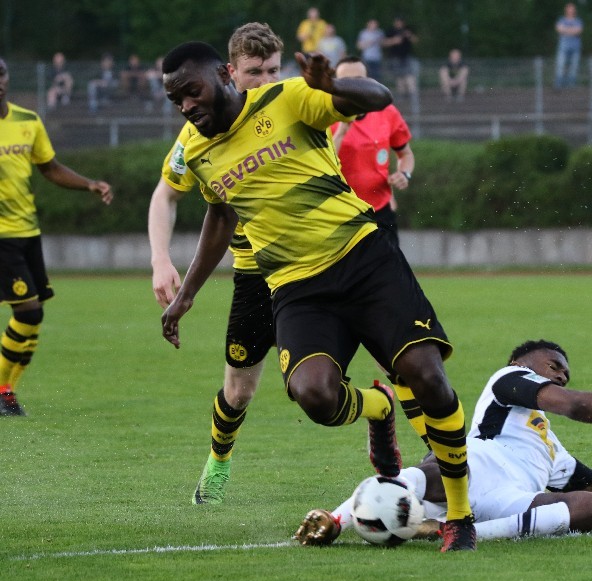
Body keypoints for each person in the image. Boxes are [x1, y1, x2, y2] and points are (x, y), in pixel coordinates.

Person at [158, 41, 476, 551]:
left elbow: (378, 96)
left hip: (363, 259)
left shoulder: (286, 99)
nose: (187, 106)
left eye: (191, 92)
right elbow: (220, 215)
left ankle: (460, 516)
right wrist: (188, 293)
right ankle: (377, 407)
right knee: (314, 395)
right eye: (176, 100)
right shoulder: (195, 149)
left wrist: (333, 86)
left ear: (223, 75)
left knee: (426, 374)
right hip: (296, 288)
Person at [294, 339, 592, 545]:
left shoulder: (554, 451)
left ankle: (459, 531)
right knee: (435, 467)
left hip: (510, 498)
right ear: (522, 363)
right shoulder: (507, 382)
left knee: (590, 507)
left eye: (564, 373)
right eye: (554, 365)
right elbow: (576, 406)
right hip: (477, 465)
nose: (560, 375)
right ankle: (335, 520)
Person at [148, 22, 284, 505]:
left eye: (273, 70)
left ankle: (399, 454)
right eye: (254, 72)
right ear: (230, 73)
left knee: (376, 362)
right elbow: (167, 195)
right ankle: (218, 463)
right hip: (254, 273)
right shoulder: (197, 136)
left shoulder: (294, 105)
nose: (265, 81)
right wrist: (162, 259)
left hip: (319, 263)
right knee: (239, 390)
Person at [0, 56, 113, 417]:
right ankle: (0, 389)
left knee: (35, 317)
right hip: (1, 237)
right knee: (28, 312)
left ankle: (8, 393)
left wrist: (89, 184)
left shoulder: (27, 121)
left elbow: (49, 167)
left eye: (0, 74)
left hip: (28, 232)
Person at [330, 57, 414, 248]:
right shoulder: (322, 116)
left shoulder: (387, 112)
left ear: (369, 82)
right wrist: (342, 132)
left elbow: (406, 154)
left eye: (359, 79)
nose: (353, 87)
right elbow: (321, 165)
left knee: (393, 276)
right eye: (345, 81)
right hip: (339, 215)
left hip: (380, 211)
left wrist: (404, 174)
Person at [382, 16, 418, 98]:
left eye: (400, 22)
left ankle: (413, 96)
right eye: (397, 22)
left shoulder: (407, 30)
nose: (399, 23)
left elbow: (415, 40)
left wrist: (409, 35)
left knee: (409, 75)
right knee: (399, 77)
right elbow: (383, 43)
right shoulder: (391, 31)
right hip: (395, 57)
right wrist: (393, 41)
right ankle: (402, 95)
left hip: (406, 56)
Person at [554, 3, 583, 89]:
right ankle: (558, 84)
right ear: (566, 10)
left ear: (574, 10)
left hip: (575, 47)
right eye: (569, 9)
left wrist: (565, 30)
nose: (571, 10)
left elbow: (578, 31)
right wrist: (572, 31)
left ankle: (571, 85)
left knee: (574, 66)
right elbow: (559, 29)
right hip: (563, 47)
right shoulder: (561, 19)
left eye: (572, 9)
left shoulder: (578, 20)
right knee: (560, 65)